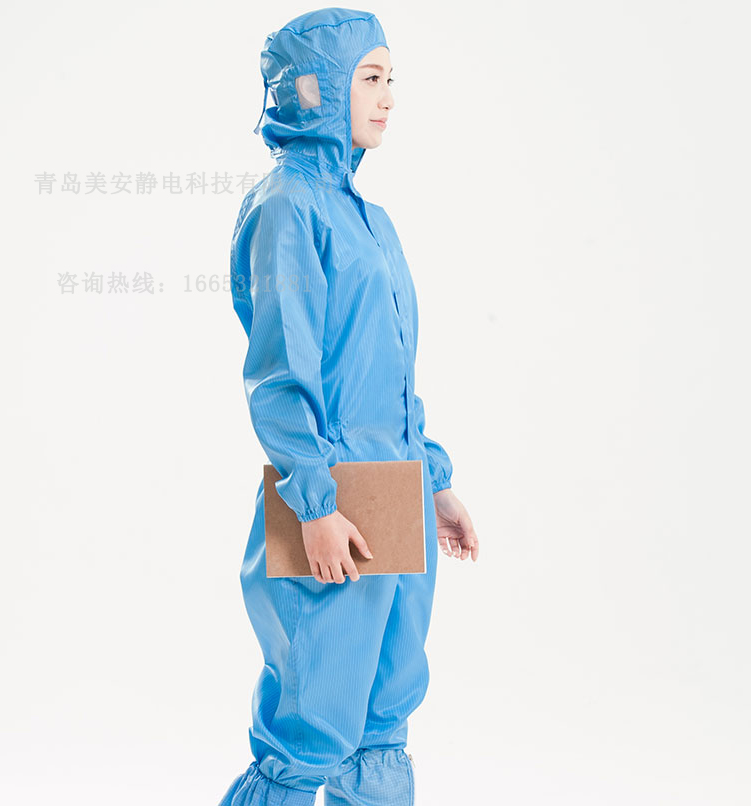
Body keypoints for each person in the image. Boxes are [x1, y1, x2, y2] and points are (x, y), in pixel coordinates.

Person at [220, 8, 479, 805]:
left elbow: (388, 372)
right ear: (314, 89)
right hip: (331, 502)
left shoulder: (371, 220)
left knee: (382, 722)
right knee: (309, 728)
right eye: (369, 78)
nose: (389, 97)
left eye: (391, 78)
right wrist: (315, 502)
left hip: (395, 493)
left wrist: (432, 478)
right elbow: (281, 374)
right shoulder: (286, 207)